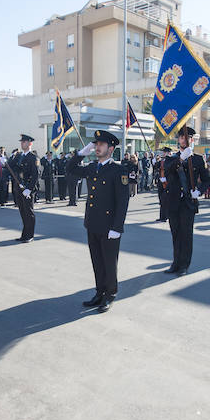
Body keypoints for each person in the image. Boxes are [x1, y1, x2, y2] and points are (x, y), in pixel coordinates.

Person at [66, 130, 130, 313]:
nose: (97, 147)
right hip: (92, 223)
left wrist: (117, 227)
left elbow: (123, 201)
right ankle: (99, 292)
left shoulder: (118, 170)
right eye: (96, 144)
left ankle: (110, 294)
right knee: (97, 261)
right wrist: (80, 154)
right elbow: (70, 170)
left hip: (110, 227)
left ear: (111, 148)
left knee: (109, 263)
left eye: (101, 144)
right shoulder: (93, 167)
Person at [162, 126, 210, 276]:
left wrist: (199, 191)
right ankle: (175, 263)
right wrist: (181, 158)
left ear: (191, 140)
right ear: (178, 140)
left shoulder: (197, 159)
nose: (183, 140)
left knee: (186, 235)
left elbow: (206, 180)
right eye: (181, 137)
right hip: (174, 202)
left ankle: (184, 265)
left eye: (187, 138)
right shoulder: (171, 158)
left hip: (188, 202)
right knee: (175, 234)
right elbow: (169, 170)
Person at [8, 134, 39, 242]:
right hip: (19, 188)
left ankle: (30, 235)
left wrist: (29, 189)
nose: (22, 143)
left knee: (29, 212)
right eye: (21, 142)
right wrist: (4, 160)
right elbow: (11, 166)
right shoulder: (19, 156)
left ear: (30, 143)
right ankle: (24, 234)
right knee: (22, 212)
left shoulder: (33, 157)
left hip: (27, 189)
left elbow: (35, 175)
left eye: (24, 142)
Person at [153, 150, 170, 222]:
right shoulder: (161, 161)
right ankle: (162, 216)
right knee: (161, 199)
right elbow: (156, 167)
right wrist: (154, 162)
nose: (163, 153)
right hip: (161, 182)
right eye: (163, 152)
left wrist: (166, 178)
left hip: (167, 182)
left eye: (164, 152)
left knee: (165, 200)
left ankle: (166, 216)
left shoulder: (170, 161)